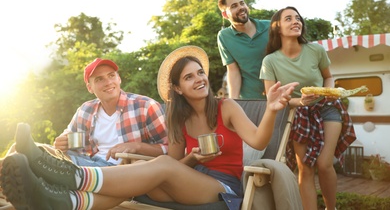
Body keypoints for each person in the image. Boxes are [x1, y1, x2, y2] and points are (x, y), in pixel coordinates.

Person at [0, 46, 298, 210]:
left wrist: (272, 109)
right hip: (189, 179)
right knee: (151, 173)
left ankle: (73, 177)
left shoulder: (227, 107)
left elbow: (259, 141)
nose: (199, 79)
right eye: (190, 77)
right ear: (178, 89)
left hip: (223, 189)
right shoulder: (178, 120)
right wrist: (194, 159)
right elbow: (181, 164)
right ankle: (67, 202)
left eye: (200, 73)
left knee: (162, 164)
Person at [259, 6, 356, 210]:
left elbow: (328, 76)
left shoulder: (316, 50)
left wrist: (326, 93)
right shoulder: (270, 61)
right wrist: (299, 102)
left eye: (298, 18)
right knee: (305, 168)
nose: (296, 21)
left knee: (324, 163)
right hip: (297, 113)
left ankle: (332, 208)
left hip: (327, 107)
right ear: (277, 28)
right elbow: (271, 97)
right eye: (288, 18)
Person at [1, 58, 168, 168]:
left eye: (111, 76)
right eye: (99, 79)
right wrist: (62, 142)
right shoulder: (86, 110)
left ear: (119, 79)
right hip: (89, 162)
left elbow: (169, 149)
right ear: (90, 88)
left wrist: (137, 146)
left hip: (118, 172)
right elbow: (71, 140)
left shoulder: (145, 106)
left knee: (36, 158)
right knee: (18, 147)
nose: (108, 82)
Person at [217, 0, 270, 99]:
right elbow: (233, 70)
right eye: (234, 6)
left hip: (279, 96)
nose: (241, 7)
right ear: (225, 14)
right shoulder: (224, 37)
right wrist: (234, 102)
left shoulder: (270, 27)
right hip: (249, 100)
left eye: (242, 3)